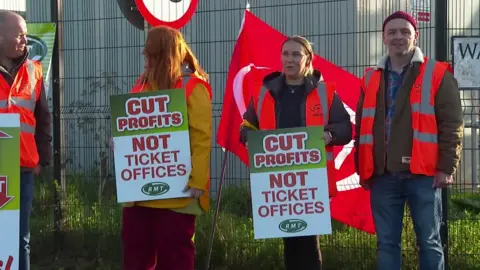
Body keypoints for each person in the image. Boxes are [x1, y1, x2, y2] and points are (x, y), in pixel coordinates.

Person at [354, 11, 464, 270]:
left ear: (416, 35)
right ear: (383, 38)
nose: (398, 37)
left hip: (424, 175)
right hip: (383, 176)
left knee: (429, 241)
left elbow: (452, 125)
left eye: (405, 31)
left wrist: (446, 167)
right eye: (392, 32)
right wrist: (364, 169)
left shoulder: (437, 74)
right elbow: (362, 127)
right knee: (387, 243)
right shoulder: (370, 78)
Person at [239, 35, 352, 270]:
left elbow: (345, 127)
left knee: (310, 244)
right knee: (290, 243)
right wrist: (249, 139)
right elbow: (246, 127)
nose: (289, 59)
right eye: (285, 54)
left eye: (296, 54)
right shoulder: (264, 93)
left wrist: (330, 135)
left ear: (308, 59)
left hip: (312, 181)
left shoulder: (325, 93)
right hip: (278, 182)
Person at [118, 25, 212, 270]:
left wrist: (197, 182)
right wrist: (118, 140)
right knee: (135, 255)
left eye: (149, 52)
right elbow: (132, 128)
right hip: (138, 194)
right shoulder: (141, 84)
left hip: (179, 194)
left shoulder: (193, 87)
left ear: (163, 55)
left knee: (175, 257)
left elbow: (202, 139)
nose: (143, 55)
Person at [0, 10, 52, 270]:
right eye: (19, 34)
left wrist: (42, 157)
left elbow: (43, 117)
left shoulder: (34, 70)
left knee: (21, 237)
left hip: (23, 167)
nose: (25, 39)